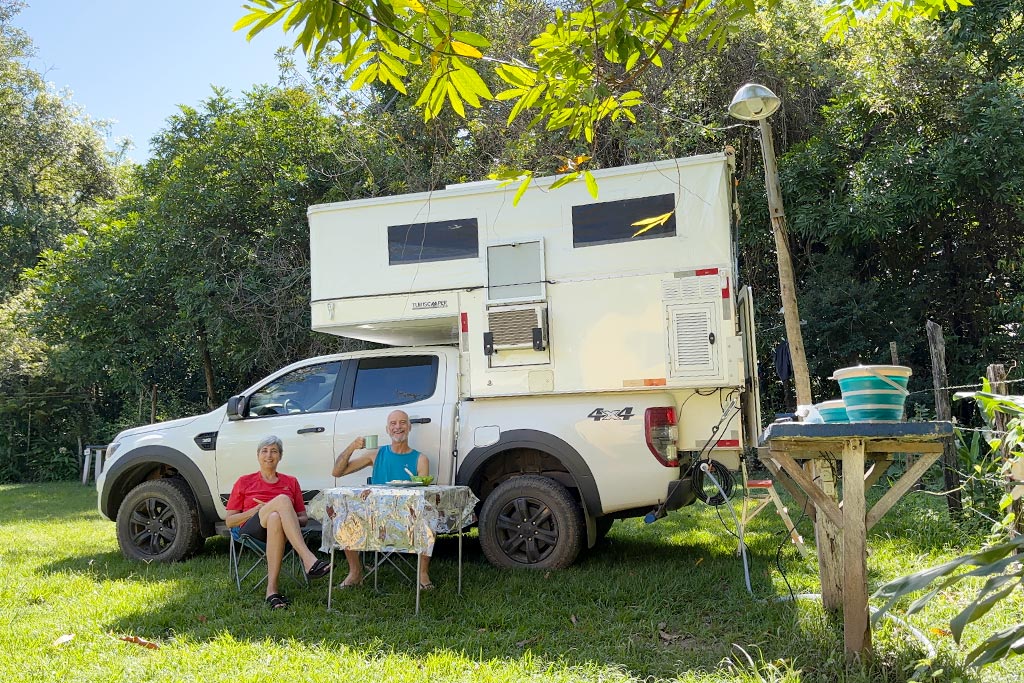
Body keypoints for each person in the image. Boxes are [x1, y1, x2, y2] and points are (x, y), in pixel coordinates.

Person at [225, 435, 331, 609]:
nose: (269, 455)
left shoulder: (291, 482)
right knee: (281, 500)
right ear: (258, 455)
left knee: (276, 516)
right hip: (253, 529)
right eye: (264, 451)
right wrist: (255, 510)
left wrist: (285, 515)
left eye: (274, 451)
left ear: (280, 456)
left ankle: (272, 591)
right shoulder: (244, 481)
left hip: (281, 530)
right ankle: (308, 559)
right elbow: (229, 521)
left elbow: (303, 519)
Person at [331, 409, 433, 590]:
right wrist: (352, 446)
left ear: (409, 427)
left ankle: (422, 573)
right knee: (345, 518)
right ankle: (355, 573)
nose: (398, 427)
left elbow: (422, 495)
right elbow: (338, 472)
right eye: (393, 423)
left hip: (406, 519)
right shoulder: (376, 454)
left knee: (428, 519)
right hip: (374, 518)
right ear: (387, 429)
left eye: (402, 423)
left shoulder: (420, 459)